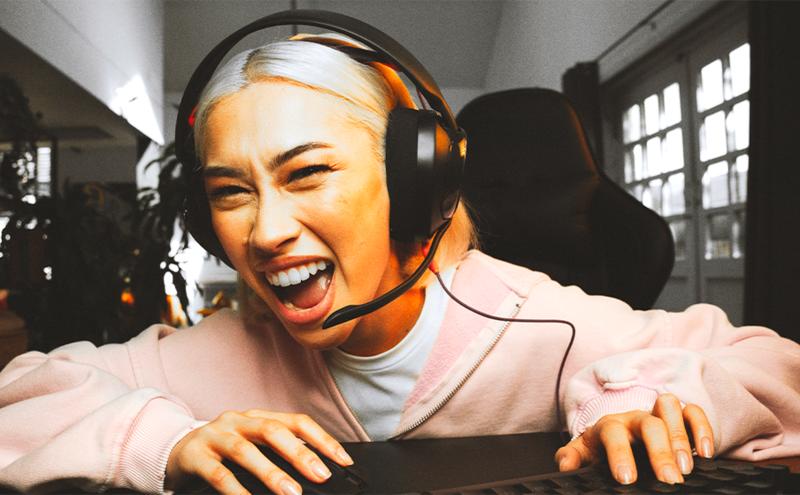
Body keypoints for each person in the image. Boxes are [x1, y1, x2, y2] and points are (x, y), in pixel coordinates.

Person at [2, 16, 800, 495]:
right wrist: (160, 440)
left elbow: (770, 365)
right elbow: (19, 397)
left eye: (306, 172)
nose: (266, 231)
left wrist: (656, 396)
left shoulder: (542, 322)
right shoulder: (210, 357)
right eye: (231, 190)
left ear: (415, 184)